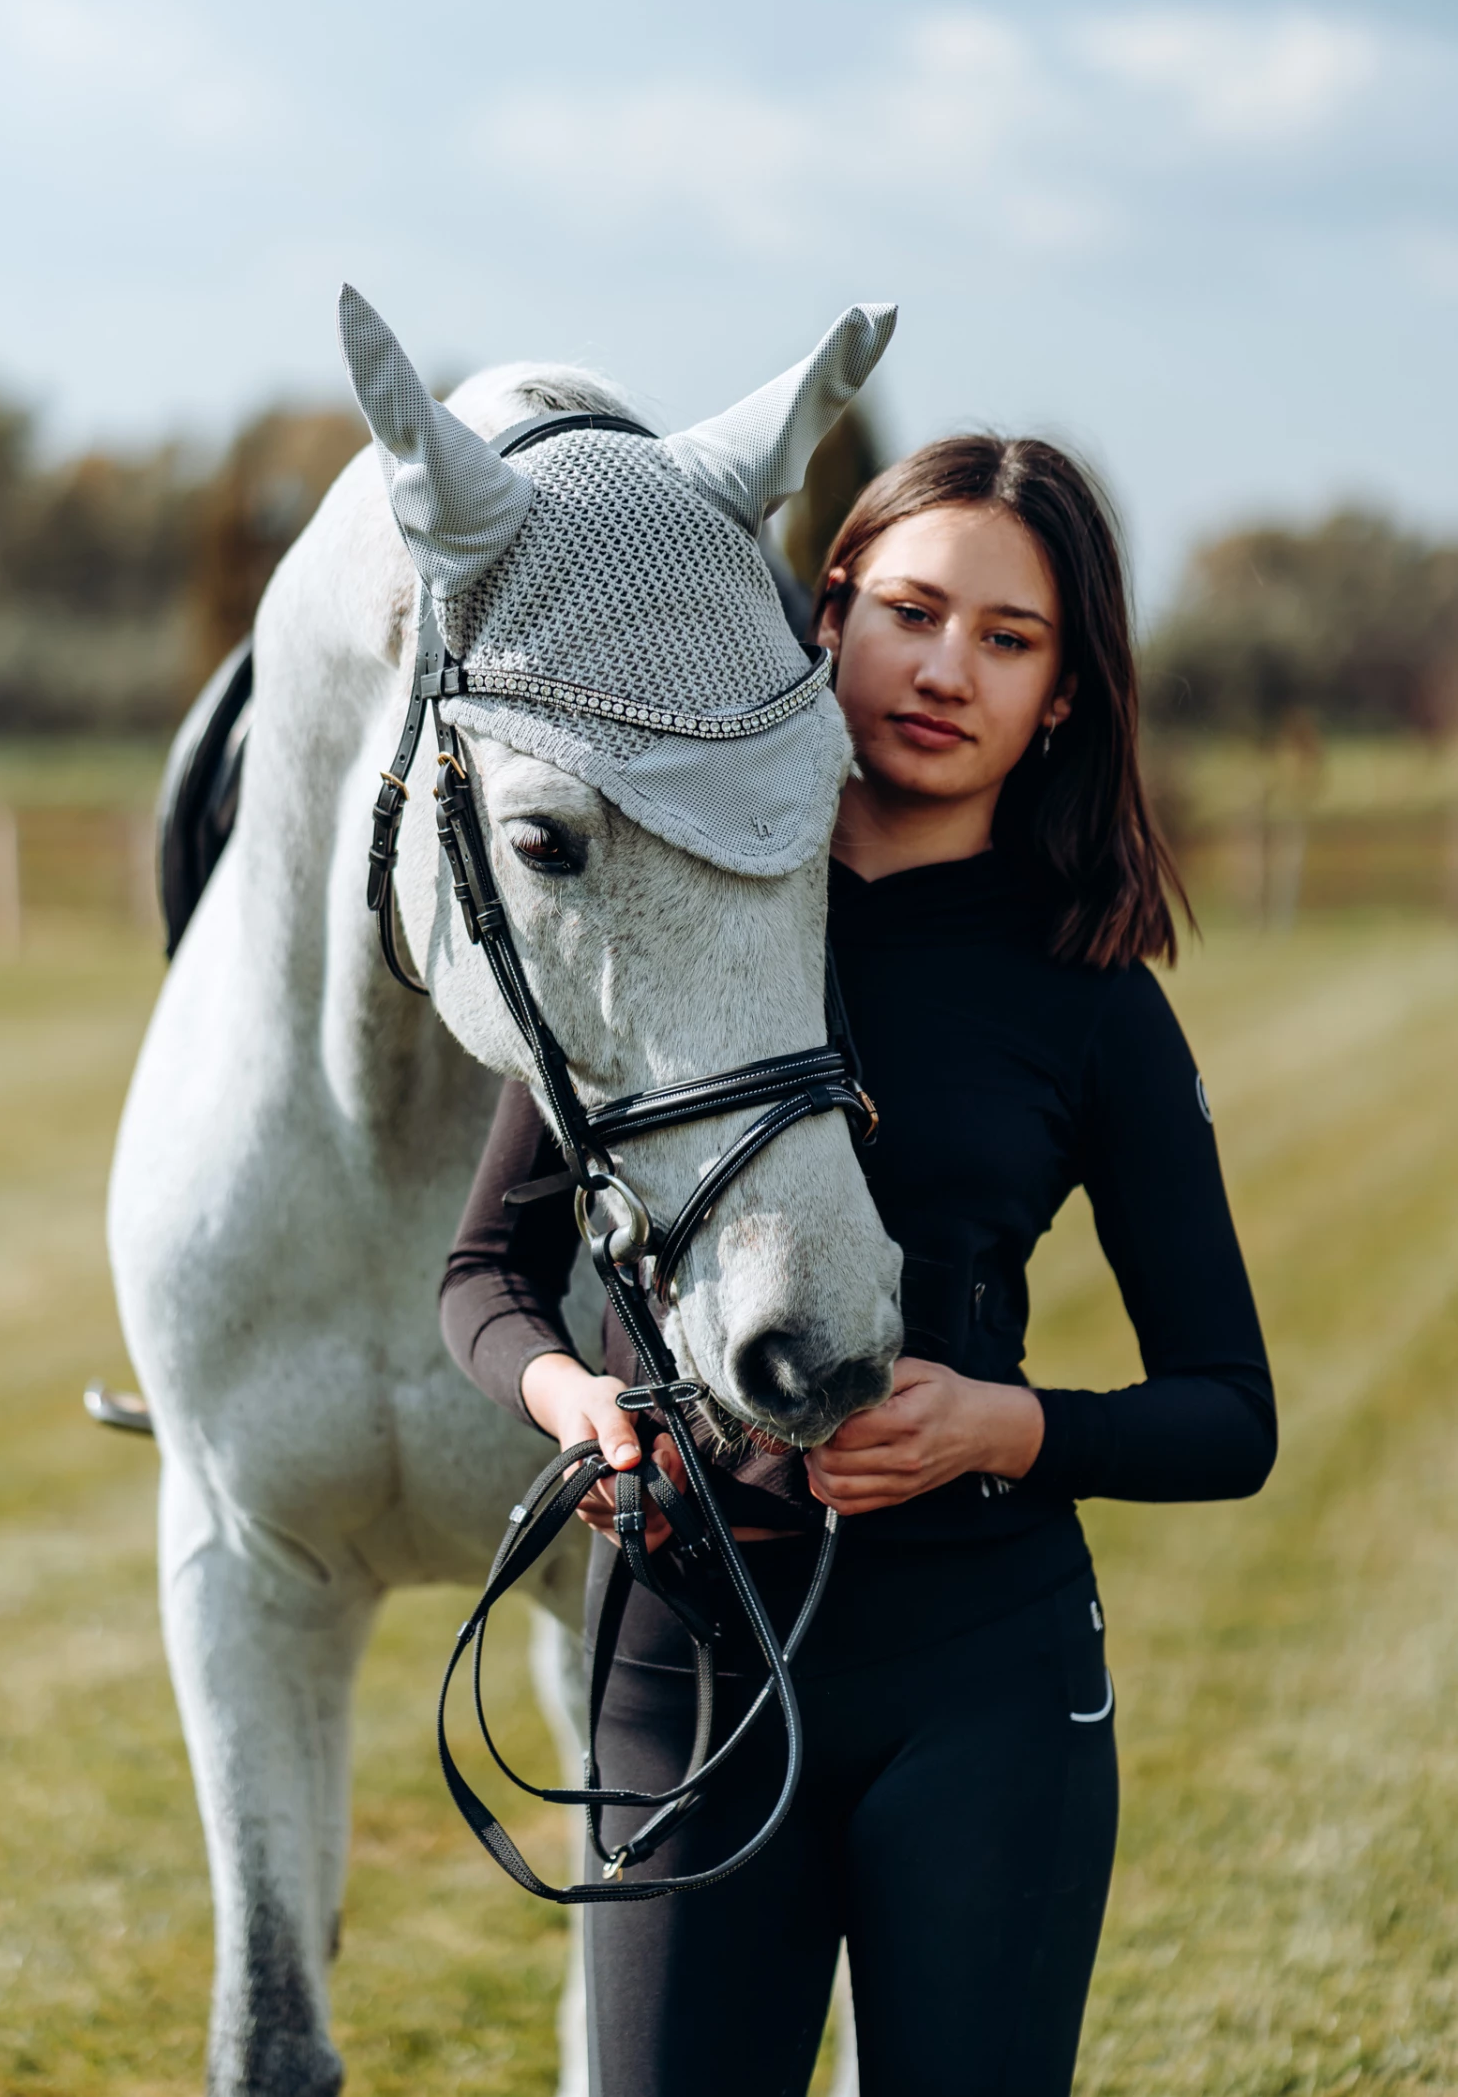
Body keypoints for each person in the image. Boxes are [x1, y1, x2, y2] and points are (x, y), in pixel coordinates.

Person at [441, 435, 1276, 2097]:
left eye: (1009, 637)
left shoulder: (1090, 994)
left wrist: (1001, 1425)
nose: (946, 667)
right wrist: (570, 1398)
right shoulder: (676, 902)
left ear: (1064, 695)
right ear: (826, 619)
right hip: (684, 1661)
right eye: (910, 610)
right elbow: (487, 1269)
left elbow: (1228, 1411)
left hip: (987, 1680)